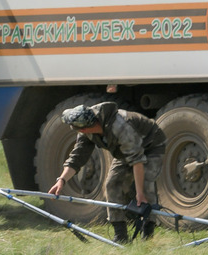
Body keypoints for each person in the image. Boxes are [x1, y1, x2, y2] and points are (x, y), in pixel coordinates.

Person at [48, 102, 166, 243]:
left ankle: (147, 235)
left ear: (85, 128)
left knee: (146, 188)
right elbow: (77, 157)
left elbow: (137, 160)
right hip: (124, 152)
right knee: (112, 184)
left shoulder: (120, 126)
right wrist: (61, 180)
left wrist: (139, 193)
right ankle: (120, 236)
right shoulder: (86, 132)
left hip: (151, 146)